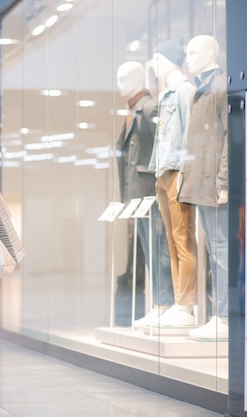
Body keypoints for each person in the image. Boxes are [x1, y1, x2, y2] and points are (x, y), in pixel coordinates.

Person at [114, 61, 173, 327]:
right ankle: (158, 305)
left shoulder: (149, 107)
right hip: (137, 194)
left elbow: (163, 146)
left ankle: (164, 304)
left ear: (139, 78)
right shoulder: (132, 110)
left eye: (124, 77)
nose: (119, 83)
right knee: (149, 250)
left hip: (149, 191)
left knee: (157, 247)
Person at [179, 35, 229, 339]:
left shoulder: (221, 86)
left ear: (212, 52)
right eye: (186, 53)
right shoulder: (199, 90)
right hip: (200, 181)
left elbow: (232, 137)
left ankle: (224, 318)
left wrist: (224, 180)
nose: (189, 58)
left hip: (214, 183)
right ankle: (218, 315)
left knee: (221, 250)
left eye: (194, 51)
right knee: (213, 250)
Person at [148, 36, 198, 327]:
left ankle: (187, 304)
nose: (153, 66)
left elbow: (191, 138)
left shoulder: (184, 92)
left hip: (178, 172)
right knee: (171, 240)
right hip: (163, 172)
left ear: (168, 60)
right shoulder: (166, 95)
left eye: (156, 60)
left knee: (183, 239)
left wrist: (185, 176)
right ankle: (180, 302)